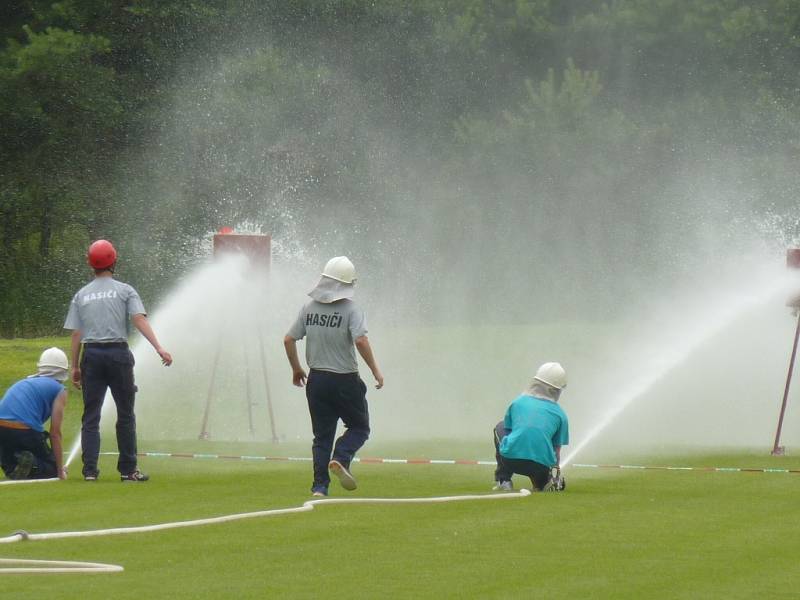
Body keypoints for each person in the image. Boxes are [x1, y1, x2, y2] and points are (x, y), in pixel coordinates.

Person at [64, 239, 173, 482]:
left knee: (91, 415)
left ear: (90, 264)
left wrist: (74, 366)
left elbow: (76, 333)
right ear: (114, 260)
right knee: (125, 413)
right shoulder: (125, 290)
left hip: (91, 356)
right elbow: (139, 320)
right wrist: (159, 347)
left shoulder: (81, 295)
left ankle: (89, 471)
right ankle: (128, 470)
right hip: (118, 355)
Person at [284, 256, 384, 497]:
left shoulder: (308, 308)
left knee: (321, 436)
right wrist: (375, 371)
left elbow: (288, 339)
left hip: (316, 381)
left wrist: (296, 369)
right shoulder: (352, 310)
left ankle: (320, 486)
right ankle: (341, 457)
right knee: (360, 428)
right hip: (345, 380)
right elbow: (360, 340)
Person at [493, 362, 569, 492]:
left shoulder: (518, 402)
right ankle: (540, 484)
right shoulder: (561, 415)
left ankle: (504, 480)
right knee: (543, 448)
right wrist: (554, 475)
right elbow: (556, 451)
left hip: (511, 460)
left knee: (500, 426)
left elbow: (512, 430)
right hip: (541, 468)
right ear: (557, 390)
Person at [0, 348, 69, 480]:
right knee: (52, 469)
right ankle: (33, 463)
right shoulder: (60, 390)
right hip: (24, 429)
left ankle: (18, 465)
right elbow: (55, 433)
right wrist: (59, 471)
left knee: (11, 468)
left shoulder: (24, 382)